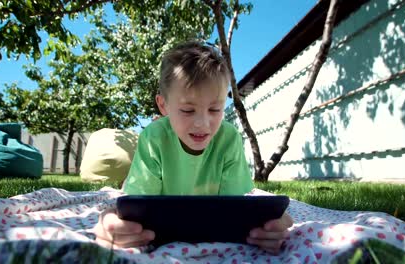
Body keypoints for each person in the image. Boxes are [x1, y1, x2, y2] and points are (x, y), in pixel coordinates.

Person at [93, 41, 293, 255]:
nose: (203, 123)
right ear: (163, 105)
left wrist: (264, 228)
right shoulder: (153, 138)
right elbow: (136, 207)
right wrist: (115, 223)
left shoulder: (229, 139)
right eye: (188, 110)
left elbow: (236, 209)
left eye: (215, 109)